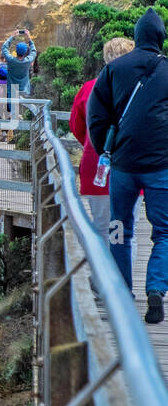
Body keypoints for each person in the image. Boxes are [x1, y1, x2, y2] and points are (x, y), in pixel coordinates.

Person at [86, 8, 168, 323]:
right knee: (164, 231)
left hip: (122, 166)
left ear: (136, 36)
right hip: (161, 165)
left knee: (120, 227)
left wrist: (107, 147)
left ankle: (121, 293)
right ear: (160, 37)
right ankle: (157, 289)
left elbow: (96, 113)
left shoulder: (113, 69)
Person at [70, 37, 136, 253]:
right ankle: (122, 282)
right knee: (124, 231)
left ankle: (101, 281)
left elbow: (76, 126)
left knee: (101, 227)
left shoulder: (89, 87)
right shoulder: (140, 89)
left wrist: (93, 145)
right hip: (129, 166)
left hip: (95, 164)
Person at [0, 28, 37, 119]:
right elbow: (33, 51)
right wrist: (29, 38)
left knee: (14, 113)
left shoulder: (11, 60)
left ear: (16, 51)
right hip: (24, 89)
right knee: (26, 108)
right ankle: (35, 115)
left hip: (12, 90)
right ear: (25, 52)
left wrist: (12, 37)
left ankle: (16, 128)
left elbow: (4, 48)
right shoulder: (28, 61)